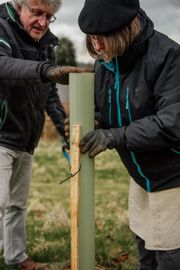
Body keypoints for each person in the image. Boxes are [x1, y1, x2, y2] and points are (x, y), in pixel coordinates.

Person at [77, 0, 180, 269]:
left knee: (169, 253)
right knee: (145, 244)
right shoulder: (106, 63)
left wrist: (114, 137)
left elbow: (171, 122)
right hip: (140, 175)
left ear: (124, 30)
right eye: (92, 38)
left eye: (103, 38)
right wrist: (93, 123)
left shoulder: (169, 56)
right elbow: (106, 110)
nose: (97, 47)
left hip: (172, 176)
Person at [0, 0, 92, 269]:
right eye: (37, 13)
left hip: (26, 139)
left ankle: (16, 256)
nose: (42, 22)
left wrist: (66, 133)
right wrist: (44, 70)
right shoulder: (2, 29)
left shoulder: (46, 44)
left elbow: (50, 96)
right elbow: (3, 65)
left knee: (17, 203)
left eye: (49, 17)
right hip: (1, 134)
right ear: (20, 7)